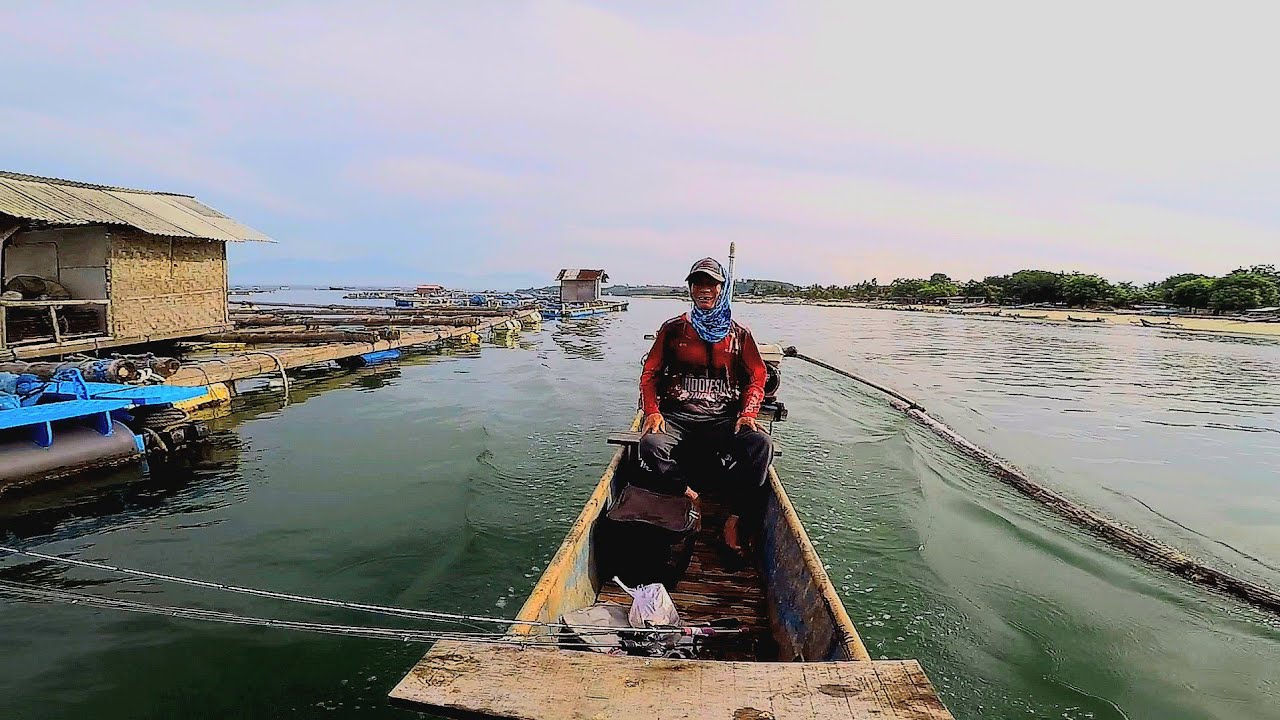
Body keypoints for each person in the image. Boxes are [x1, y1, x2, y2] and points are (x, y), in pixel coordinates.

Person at [637, 256, 773, 553]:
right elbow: (650, 374)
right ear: (690, 288)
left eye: (712, 283)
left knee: (761, 445)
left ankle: (735, 517)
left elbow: (758, 375)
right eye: (698, 282)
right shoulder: (673, 329)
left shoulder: (739, 334)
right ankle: (689, 495)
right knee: (649, 445)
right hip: (678, 417)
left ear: (722, 288)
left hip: (721, 419)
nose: (704, 289)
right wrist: (652, 410)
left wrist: (749, 412)